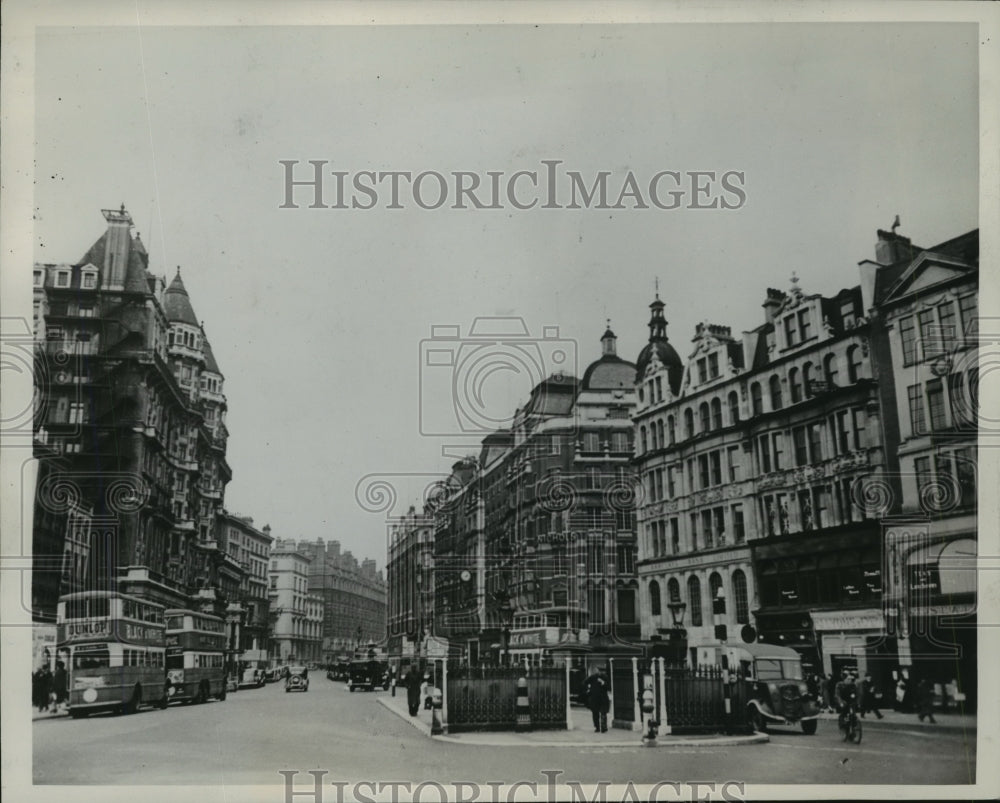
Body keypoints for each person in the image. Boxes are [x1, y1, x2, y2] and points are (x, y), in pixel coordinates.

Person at [582, 665, 611, 733]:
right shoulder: (592, 677)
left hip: (601, 698)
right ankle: (598, 727)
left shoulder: (604, 677)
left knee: (602, 712)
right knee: (596, 713)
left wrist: (603, 683)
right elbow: (584, 683)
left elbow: (608, 687)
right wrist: (588, 689)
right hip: (595, 698)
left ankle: (603, 727)